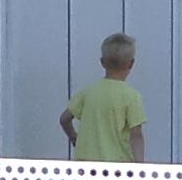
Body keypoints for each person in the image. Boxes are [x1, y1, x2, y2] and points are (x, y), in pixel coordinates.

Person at [61, 33, 145, 162]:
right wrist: (139, 165)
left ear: (102, 62)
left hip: (86, 164)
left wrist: (74, 137)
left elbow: (64, 119)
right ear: (131, 63)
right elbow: (136, 135)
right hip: (117, 165)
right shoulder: (132, 97)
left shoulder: (88, 92)